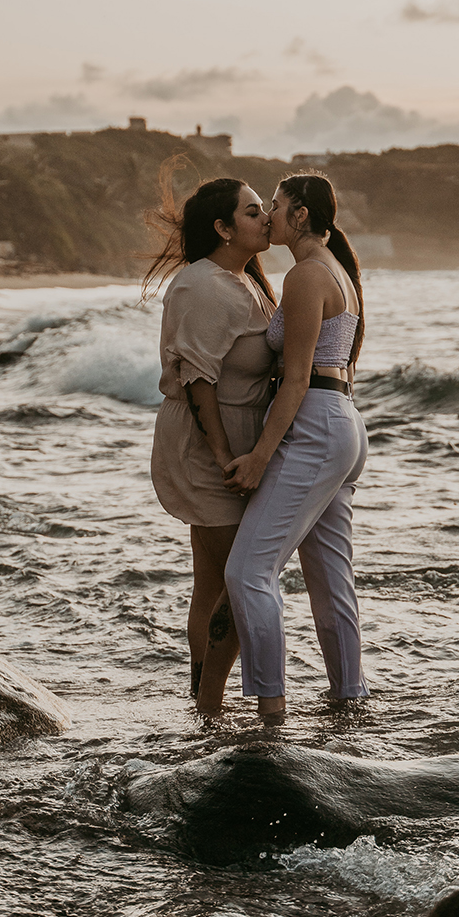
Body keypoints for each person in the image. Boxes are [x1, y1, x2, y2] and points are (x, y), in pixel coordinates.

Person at [222, 173, 369, 722]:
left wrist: (260, 455)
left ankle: (271, 710)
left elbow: (298, 378)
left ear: (302, 215)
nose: (270, 216)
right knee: (331, 579)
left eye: (277, 207)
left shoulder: (308, 274)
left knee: (248, 572)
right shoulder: (335, 272)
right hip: (342, 423)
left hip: (316, 424)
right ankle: (349, 702)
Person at [144, 171, 276, 712]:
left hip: (234, 434)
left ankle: (203, 701)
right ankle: (209, 705)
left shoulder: (242, 279)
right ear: (222, 228)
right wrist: (225, 457)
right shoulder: (203, 284)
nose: (265, 217)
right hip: (208, 441)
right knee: (233, 581)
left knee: (214, 579)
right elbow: (198, 379)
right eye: (251, 211)